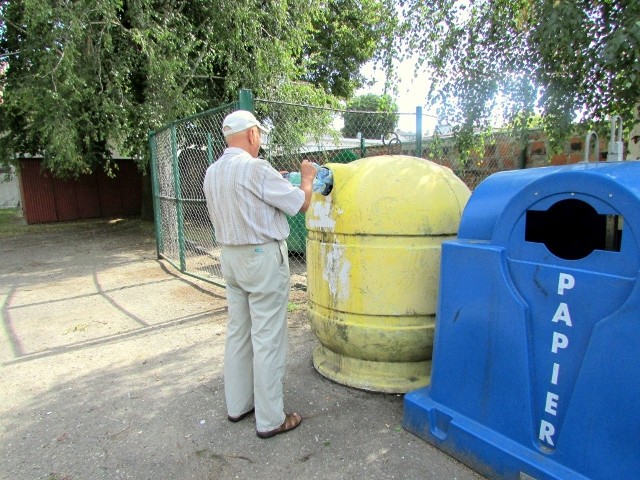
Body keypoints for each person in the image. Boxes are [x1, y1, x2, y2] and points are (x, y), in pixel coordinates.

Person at [203, 109, 316, 439]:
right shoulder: (256, 168)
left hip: (230, 258)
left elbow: (247, 200)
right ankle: (270, 419)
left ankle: (238, 406)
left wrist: (273, 180)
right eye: (260, 135)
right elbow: (300, 203)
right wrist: (306, 177)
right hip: (261, 258)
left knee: (239, 331)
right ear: (252, 135)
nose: (261, 140)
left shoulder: (212, 171)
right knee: (268, 336)